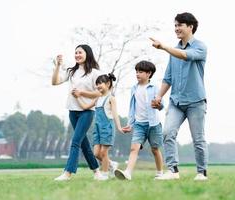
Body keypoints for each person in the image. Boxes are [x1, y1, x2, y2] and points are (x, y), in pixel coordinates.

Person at [150, 12, 208, 181]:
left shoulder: (200, 47)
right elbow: (168, 77)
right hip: (176, 101)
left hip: (196, 101)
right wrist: (159, 96)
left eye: (180, 25)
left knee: (198, 139)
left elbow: (185, 55)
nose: (176, 28)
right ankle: (173, 171)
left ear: (190, 27)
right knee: (167, 133)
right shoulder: (173, 51)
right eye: (175, 25)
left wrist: (164, 47)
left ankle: (202, 172)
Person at [52, 44, 104, 181]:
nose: (77, 55)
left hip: (86, 111)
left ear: (87, 53)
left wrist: (82, 93)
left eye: (80, 52)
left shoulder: (95, 73)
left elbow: (100, 92)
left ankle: (68, 173)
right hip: (72, 111)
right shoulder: (71, 71)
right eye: (75, 53)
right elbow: (55, 82)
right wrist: (57, 66)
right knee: (83, 143)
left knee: (75, 141)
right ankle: (97, 172)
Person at [114, 60, 164, 180]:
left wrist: (158, 105)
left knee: (155, 149)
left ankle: (160, 173)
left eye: (140, 72)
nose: (137, 74)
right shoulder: (134, 88)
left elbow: (162, 106)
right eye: (136, 71)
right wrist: (130, 124)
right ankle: (128, 173)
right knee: (134, 148)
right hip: (139, 124)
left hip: (154, 124)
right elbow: (132, 107)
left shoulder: (155, 88)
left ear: (149, 74)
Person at [76, 73, 124, 180]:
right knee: (97, 153)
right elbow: (85, 106)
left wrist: (119, 127)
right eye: (96, 84)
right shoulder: (97, 99)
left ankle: (105, 175)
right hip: (97, 129)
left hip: (107, 128)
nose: (98, 86)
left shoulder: (111, 98)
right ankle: (112, 165)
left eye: (100, 83)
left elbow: (115, 114)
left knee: (103, 153)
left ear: (107, 84)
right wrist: (78, 97)